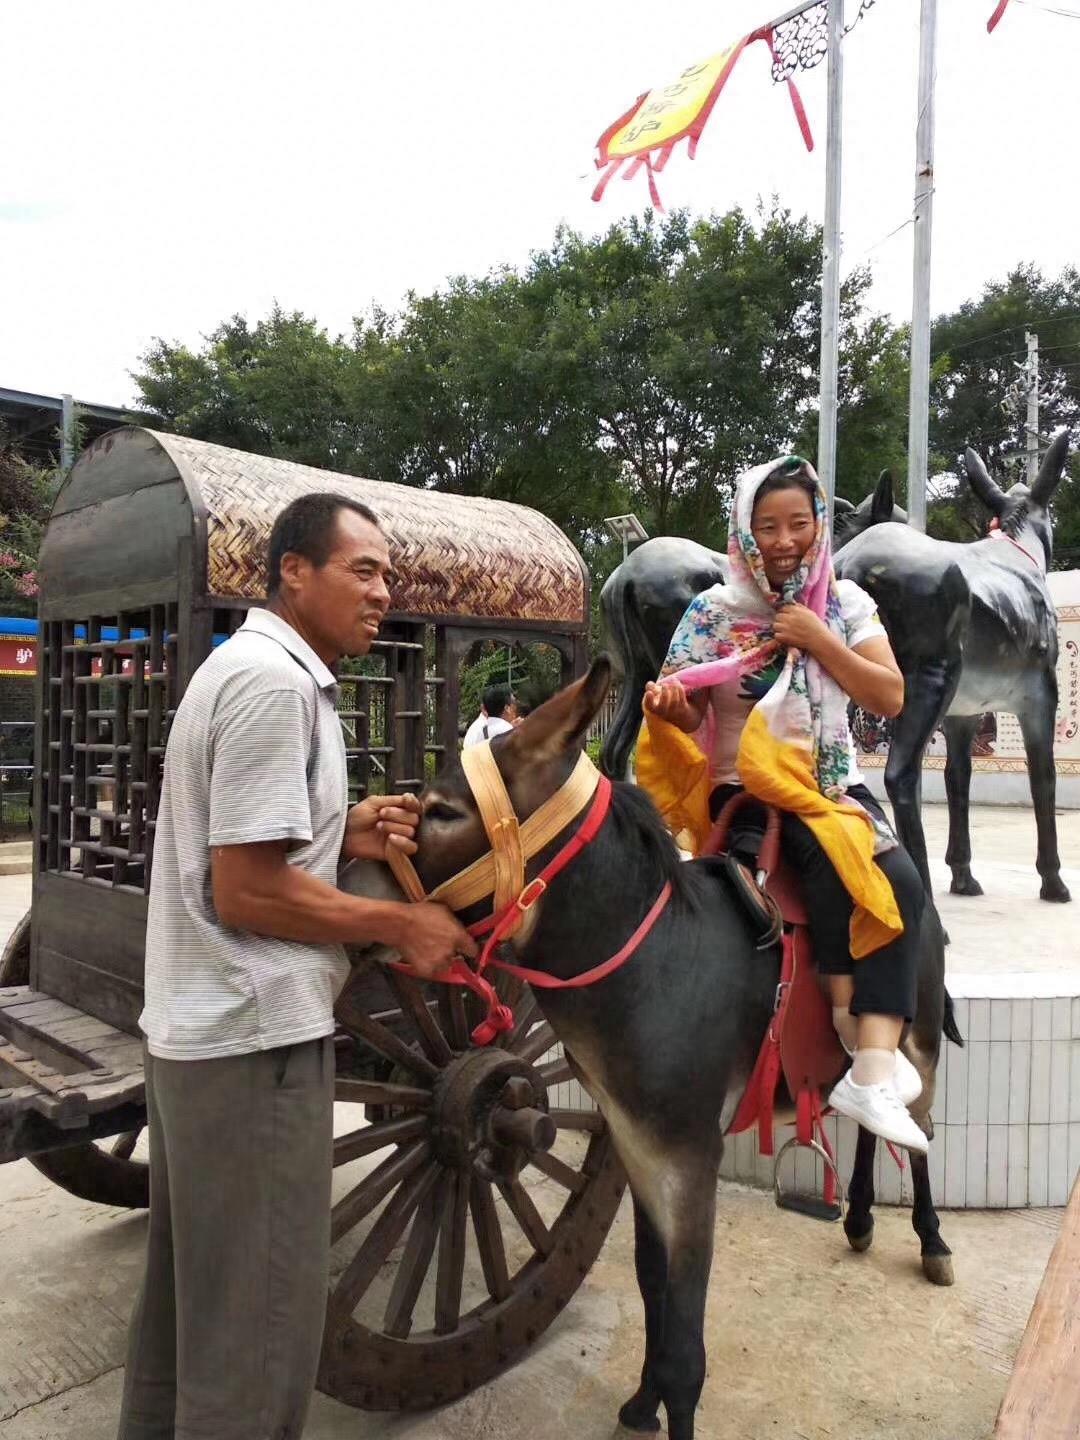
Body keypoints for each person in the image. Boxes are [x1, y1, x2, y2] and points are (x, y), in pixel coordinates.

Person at [117, 492, 477, 1440]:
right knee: (260, 1341)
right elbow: (248, 891)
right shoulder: (277, 688)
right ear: (293, 571)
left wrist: (340, 828)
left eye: (388, 574)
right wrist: (402, 925)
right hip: (255, 1043)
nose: (383, 592)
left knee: (193, 1316)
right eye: (363, 571)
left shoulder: (244, 667)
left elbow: (244, 847)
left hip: (200, 1038)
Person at [643, 457, 929, 1154]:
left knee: (900, 879)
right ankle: (847, 1038)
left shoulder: (846, 604)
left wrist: (819, 639)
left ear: (819, 525)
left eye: (798, 523)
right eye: (766, 526)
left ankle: (871, 1059)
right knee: (821, 864)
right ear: (744, 532)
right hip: (744, 787)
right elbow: (686, 712)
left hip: (830, 783)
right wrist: (673, 708)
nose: (783, 540)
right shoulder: (712, 613)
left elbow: (890, 695)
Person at [462, 683, 518, 747]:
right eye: (514, 702)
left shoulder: (479, 733)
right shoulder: (507, 731)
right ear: (507, 708)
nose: (516, 706)